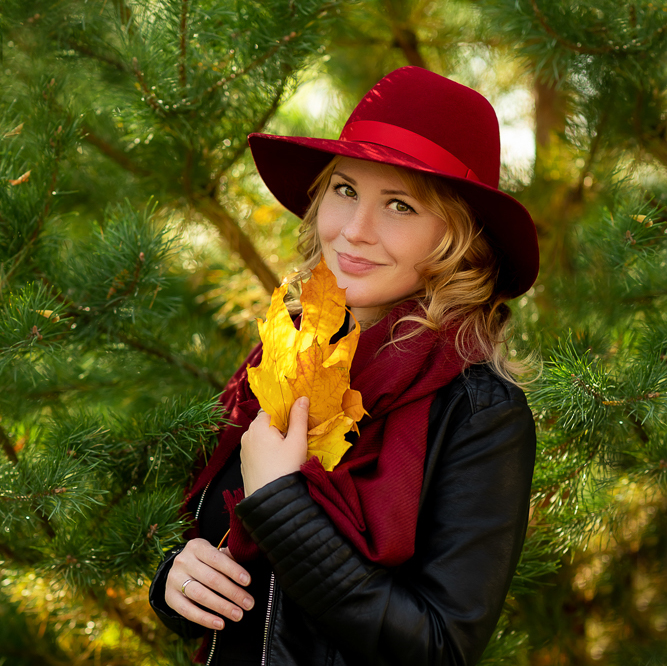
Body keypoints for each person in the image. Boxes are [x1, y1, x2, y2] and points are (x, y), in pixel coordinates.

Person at [149, 66, 538, 666]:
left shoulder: (479, 410)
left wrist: (280, 501)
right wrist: (178, 579)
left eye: (400, 206)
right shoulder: (284, 353)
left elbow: (440, 646)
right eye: (346, 190)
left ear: (458, 238)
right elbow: (213, 541)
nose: (355, 232)